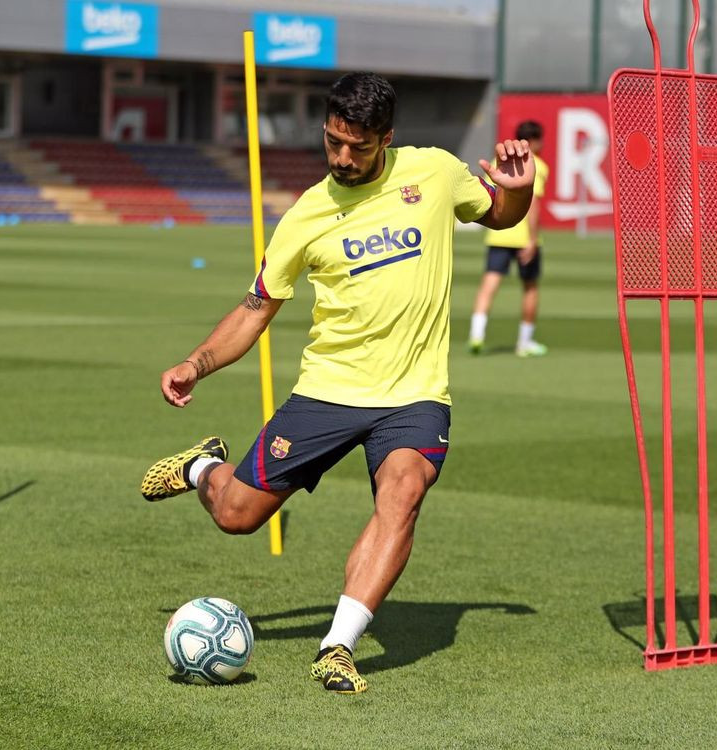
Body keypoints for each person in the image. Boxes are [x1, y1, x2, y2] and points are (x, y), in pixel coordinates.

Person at [139, 72, 534, 695]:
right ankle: (199, 469)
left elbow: (503, 211)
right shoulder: (305, 215)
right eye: (332, 143)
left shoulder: (433, 172)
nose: (343, 158)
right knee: (238, 517)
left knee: (402, 493)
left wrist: (521, 188)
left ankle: (337, 647)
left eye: (358, 146)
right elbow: (254, 309)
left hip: (414, 394)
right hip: (328, 390)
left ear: (388, 138)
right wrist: (196, 364)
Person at [467, 120, 550, 357]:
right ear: (534, 141)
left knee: (488, 286)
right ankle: (524, 343)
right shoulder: (537, 165)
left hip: (498, 234)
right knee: (530, 288)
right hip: (523, 237)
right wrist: (533, 239)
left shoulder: (497, 161)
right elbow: (532, 204)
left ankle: (476, 335)